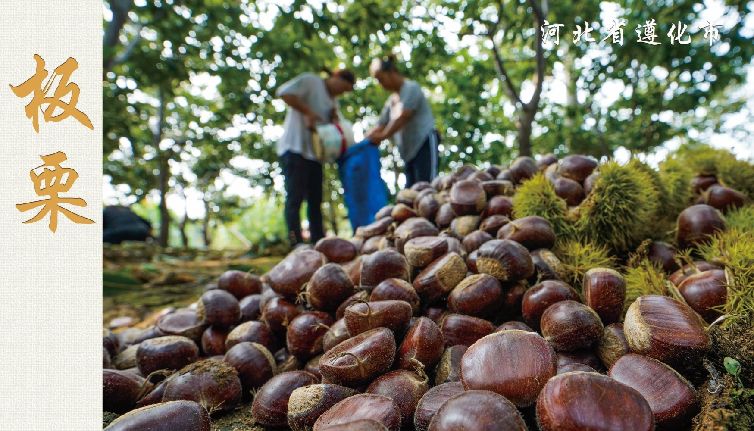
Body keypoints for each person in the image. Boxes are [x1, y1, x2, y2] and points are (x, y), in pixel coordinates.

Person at [276, 68, 355, 247]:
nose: (341, 93)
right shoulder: (311, 81)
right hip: (294, 148)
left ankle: (318, 242)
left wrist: (334, 119)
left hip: (315, 155)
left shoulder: (333, 101)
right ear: (336, 77)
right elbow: (284, 92)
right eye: (343, 88)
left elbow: (335, 130)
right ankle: (295, 241)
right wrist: (307, 112)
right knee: (295, 197)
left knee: (316, 200)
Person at [367, 54, 439, 187]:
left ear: (391, 72)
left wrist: (383, 136)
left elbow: (403, 116)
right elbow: (380, 124)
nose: (381, 84)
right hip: (407, 154)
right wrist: (368, 138)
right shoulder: (391, 102)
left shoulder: (411, 88)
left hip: (423, 143)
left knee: (427, 187)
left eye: (381, 79)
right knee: (411, 192)